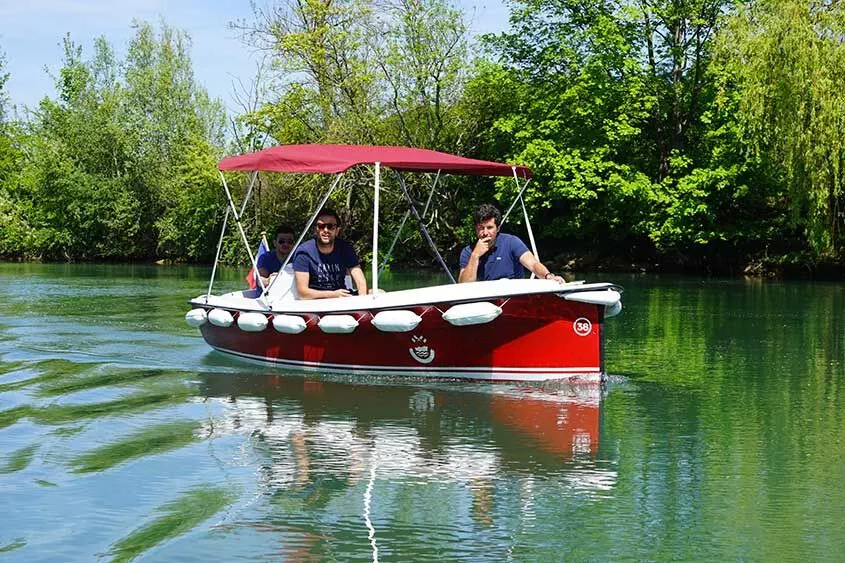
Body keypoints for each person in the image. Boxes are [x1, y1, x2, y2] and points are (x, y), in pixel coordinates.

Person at [458, 203, 565, 284]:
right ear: (476, 229)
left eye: (490, 228)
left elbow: (533, 264)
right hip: (486, 301)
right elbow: (463, 286)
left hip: (513, 298)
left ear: (498, 228)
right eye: (481, 228)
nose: (485, 233)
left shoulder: (511, 242)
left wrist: (548, 276)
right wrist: (475, 256)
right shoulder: (468, 252)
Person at [292, 210, 368, 299]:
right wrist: (333, 294)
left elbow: (360, 282)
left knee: (378, 292)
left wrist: (363, 300)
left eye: (330, 226)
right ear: (316, 229)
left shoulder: (345, 248)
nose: (325, 230)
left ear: (337, 230)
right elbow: (302, 293)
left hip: (343, 297)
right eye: (321, 226)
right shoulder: (303, 252)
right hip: (315, 302)